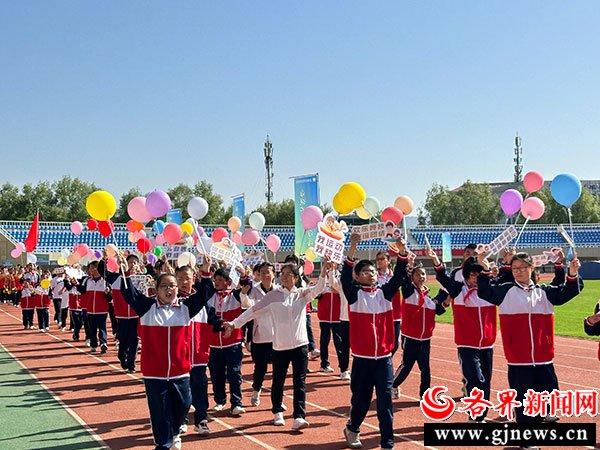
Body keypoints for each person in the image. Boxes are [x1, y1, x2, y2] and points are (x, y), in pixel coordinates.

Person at [476, 251, 583, 424]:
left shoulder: (544, 292)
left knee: (546, 399)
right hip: (519, 360)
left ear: (531, 268)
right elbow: (484, 291)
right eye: (514, 268)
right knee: (524, 403)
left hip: (544, 359)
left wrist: (571, 272)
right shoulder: (505, 291)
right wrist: (485, 267)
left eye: (522, 268)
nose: (517, 271)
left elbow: (569, 291)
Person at [224, 260, 330, 430]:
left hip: (300, 345)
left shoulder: (302, 294)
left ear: (296, 278)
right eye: (283, 274)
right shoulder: (273, 296)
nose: (285, 277)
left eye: (289, 274)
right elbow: (252, 311)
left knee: (299, 382)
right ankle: (277, 412)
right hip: (280, 346)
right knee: (278, 380)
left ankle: (299, 416)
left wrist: (324, 270)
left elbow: (318, 288)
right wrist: (234, 324)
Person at [120, 260, 211, 450]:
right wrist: (125, 272)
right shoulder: (147, 307)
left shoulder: (186, 308)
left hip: (180, 369)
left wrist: (205, 271)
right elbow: (129, 293)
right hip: (155, 372)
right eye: (164, 286)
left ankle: (175, 431)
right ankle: (163, 443)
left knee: (184, 404)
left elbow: (204, 294)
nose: (169, 290)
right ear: (156, 289)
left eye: (172, 286)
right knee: (160, 412)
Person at [340, 233, 403, 450]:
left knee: (385, 401)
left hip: (384, 358)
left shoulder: (385, 293)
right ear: (358, 276)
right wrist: (353, 246)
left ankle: (388, 442)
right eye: (366, 271)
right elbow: (345, 275)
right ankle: (353, 427)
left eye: (373, 271)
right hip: (362, 359)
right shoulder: (354, 294)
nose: (371, 274)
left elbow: (399, 276)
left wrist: (402, 250)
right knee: (361, 400)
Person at [430, 251, 495, 418]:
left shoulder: (490, 290)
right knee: (476, 380)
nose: (476, 278)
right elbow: (443, 278)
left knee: (486, 382)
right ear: (466, 275)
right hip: (467, 344)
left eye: (479, 274)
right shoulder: (458, 289)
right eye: (472, 274)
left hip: (487, 343)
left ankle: (480, 416)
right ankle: (475, 412)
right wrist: (436, 261)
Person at [392, 251, 448, 400]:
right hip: (410, 337)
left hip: (425, 339)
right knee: (406, 366)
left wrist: (447, 300)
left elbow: (439, 309)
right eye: (418, 274)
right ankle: (391, 386)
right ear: (412, 277)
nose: (421, 277)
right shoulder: (410, 292)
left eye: (423, 274)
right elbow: (405, 278)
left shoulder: (428, 297)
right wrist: (409, 263)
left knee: (425, 369)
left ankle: (425, 395)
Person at [200, 259, 248, 416]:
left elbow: (247, 289)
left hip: (233, 343)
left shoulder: (235, 296)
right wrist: (206, 270)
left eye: (221, 280)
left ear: (229, 281)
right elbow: (203, 286)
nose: (217, 282)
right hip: (214, 344)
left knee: (234, 373)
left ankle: (237, 402)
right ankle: (220, 400)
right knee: (216, 374)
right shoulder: (210, 296)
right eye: (216, 280)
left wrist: (244, 275)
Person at [239, 262, 279, 407]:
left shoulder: (279, 290)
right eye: (262, 272)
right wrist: (243, 294)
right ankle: (256, 391)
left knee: (278, 370)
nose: (265, 275)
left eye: (268, 272)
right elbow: (247, 306)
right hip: (260, 337)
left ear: (274, 274)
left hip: (277, 337)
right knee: (260, 369)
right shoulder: (254, 290)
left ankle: (277, 399)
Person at [103, 254, 141, 372]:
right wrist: (106, 260)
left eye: (135, 262)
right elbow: (104, 273)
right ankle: (121, 356)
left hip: (136, 315)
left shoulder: (140, 279)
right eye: (130, 262)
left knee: (134, 340)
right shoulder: (116, 278)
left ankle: (131, 364)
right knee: (123, 339)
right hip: (122, 315)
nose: (133, 264)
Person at [315, 266, 344, 374]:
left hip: (337, 316)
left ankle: (343, 367)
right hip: (324, 315)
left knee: (339, 342)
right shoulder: (321, 277)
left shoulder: (340, 276)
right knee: (324, 341)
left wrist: (338, 292)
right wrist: (320, 294)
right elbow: (315, 293)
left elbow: (345, 293)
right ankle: (324, 364)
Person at [375, 252, 402, 355]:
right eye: (378, 259)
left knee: (395, 343)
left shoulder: (395, 276)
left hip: (395, 314)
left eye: (382, 259)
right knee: (380, 340)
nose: (379, 261)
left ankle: (386, 361)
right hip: (380, 313)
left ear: (388, 261)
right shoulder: (373, 276)